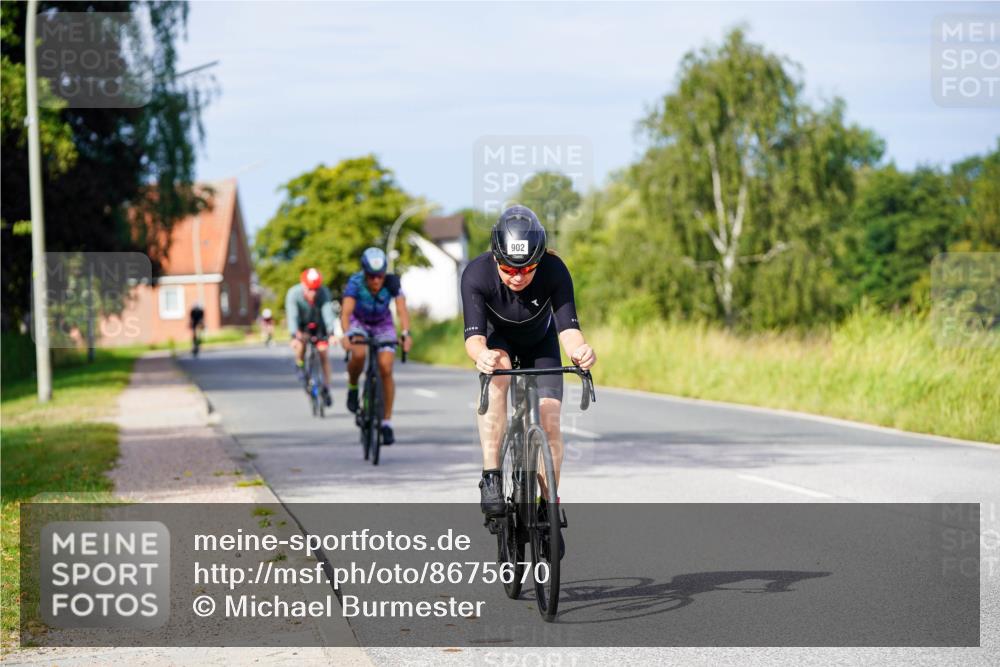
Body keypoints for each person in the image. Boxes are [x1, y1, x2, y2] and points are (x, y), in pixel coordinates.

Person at [460, 205, 596, 524]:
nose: (518, 277)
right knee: (498, 375)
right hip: (498, 341)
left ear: (539, 260)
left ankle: (547, 503)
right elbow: (473, 337)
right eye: (509, 270)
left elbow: (569, 330)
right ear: (496, 258)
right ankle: (492, 476)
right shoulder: (476, 274)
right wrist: (482, 354)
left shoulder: (555, 269)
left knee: (550, 417)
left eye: (528, 268)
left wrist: (581, 351)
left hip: (541, 342)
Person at [340, 247, 412, 445]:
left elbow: (401, 309)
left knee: (386, 367)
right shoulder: (355, 282)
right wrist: (346, 334)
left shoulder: (393, 282)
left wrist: (405, 333)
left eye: (379, 276)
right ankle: (353, 386)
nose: (376, 281)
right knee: (359, 354)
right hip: (359, 323)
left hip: (383, 325)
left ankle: (386, 423)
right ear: (364, 273)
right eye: (371, 277)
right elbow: (346, 313)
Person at [286, 268, 336, 407]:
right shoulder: (293, 294)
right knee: (300, 347)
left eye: (316, 289)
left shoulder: (324, 292)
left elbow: (328, 313)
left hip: (319, 326)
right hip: (302, 327)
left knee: (323, 354)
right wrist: (294, 336)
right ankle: (300, 366)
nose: (313, 293)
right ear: (303, 285)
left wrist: (331, 333)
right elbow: (292, 316)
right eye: (309, 289)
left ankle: (326, 388)